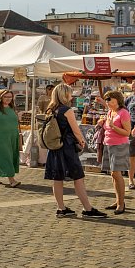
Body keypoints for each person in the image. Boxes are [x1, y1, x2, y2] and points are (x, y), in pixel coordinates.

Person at [43, 84, 107, 218]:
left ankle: (61, 208)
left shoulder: (50, 109)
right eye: (70, 94)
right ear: (64, 95)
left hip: (55, 147)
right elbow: (76, 130)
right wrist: (82, 141)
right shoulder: (67, 110)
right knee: (78, 177)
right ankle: (87, 208)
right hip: (67, 147)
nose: (71, 96)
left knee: (57, 178)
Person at [99, 90, 131, 214]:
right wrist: (102, 123)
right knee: (112, 174)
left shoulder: (123, 113)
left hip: (119, 145)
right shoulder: (110, 112)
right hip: (108, 144)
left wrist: (113, 126)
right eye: (106, 100)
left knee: (117, 174)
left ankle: (121, 203)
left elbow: (127, 132)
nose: (107, 102)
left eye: (109, 99)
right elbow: (108, 128)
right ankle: (118, 200)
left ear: (117, 100)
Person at [0, 89, 21, 188]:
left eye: (10, 97)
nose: (8, 99)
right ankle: (12, 180)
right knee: (6, 156)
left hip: (13, 136)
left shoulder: (12, 108)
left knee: (11, 156)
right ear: (0, 97)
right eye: (5, 97)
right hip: (1, 137)